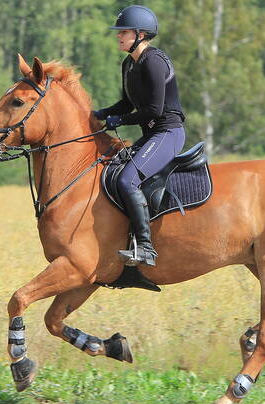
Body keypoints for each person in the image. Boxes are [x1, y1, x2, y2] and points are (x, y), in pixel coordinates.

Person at [94, 5, 186, 267]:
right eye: (118, 32)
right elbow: (126, 104)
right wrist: (97, 114)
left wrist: (120, 121)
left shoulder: (153, 61)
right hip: (152, 134)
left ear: (141, 34)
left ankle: (145, 248)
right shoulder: (129, 64)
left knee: (127, 180)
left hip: (168, 132)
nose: (118, 36)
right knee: (111, 170)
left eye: (123, 32)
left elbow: (154, 110)